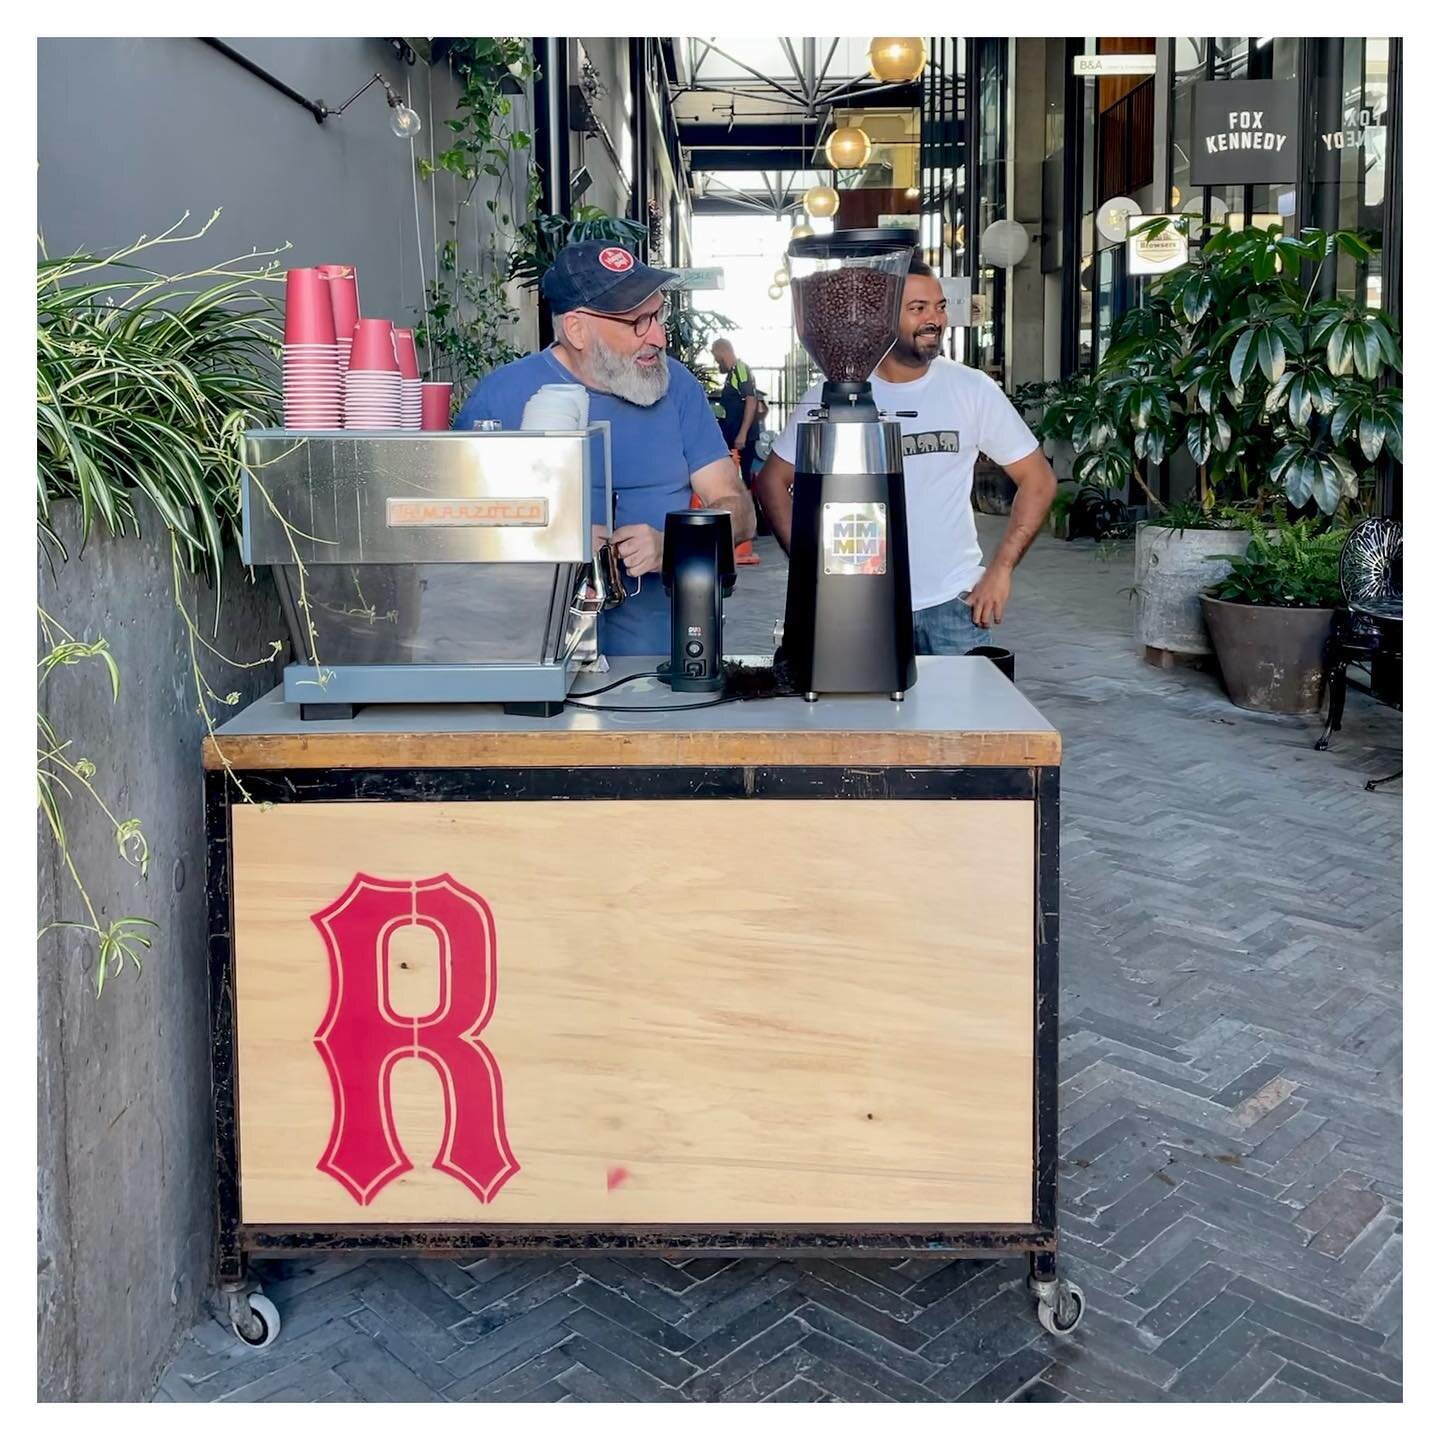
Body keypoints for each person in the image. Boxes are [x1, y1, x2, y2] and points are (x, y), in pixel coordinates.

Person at [455, 242, 755, 655]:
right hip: (534, 660)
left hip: (663, 663)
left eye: (658, 314)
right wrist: (551, 538)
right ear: (578, 329)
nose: (659, 337)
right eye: (638, 322)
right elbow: (456, 533)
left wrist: (673, 543)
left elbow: (737, 509)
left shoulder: (678, 387)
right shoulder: (503, 398)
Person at [753, 256, 1057, 654]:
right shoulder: (837, 394)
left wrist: (1001, 569)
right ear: (882, 319)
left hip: (953, 606)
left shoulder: (971, 389)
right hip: (859, 607)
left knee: (961, 717)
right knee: (863, 717)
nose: (935, 319)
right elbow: (773, 481)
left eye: (940, 306)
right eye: (918, 309)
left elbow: (1039, 480)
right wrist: (809, 565)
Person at [709, 339, 760, 485]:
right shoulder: (732, 374)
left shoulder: (740, 369)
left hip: (742, 438)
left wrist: (742, 434)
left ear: (722, 351)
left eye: (716, 357)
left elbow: (751, 399)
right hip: (734, 436)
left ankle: (748, 507)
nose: (716, 361)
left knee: (744, 480)